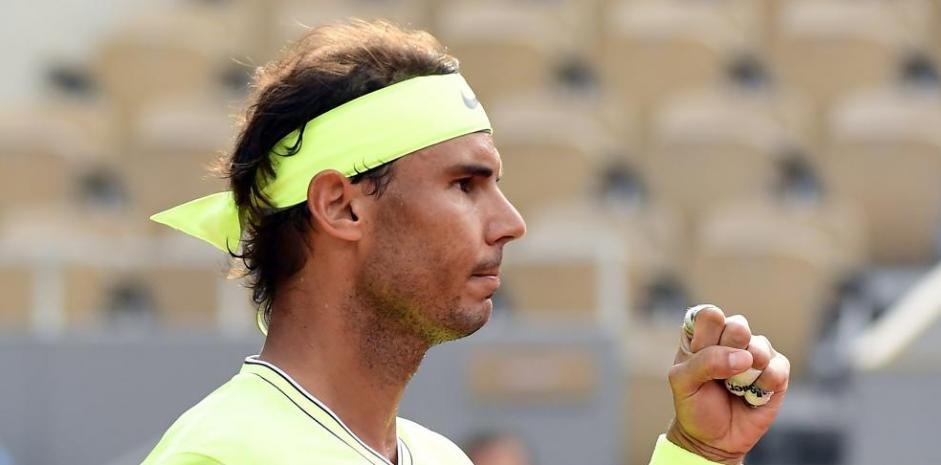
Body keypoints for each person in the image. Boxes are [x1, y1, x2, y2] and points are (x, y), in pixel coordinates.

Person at [142, 20, 790, 465]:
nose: (510, 222)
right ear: (341, 205)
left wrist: (699, 450)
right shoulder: (219, 455)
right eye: (465, 184)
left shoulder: (439, 456)